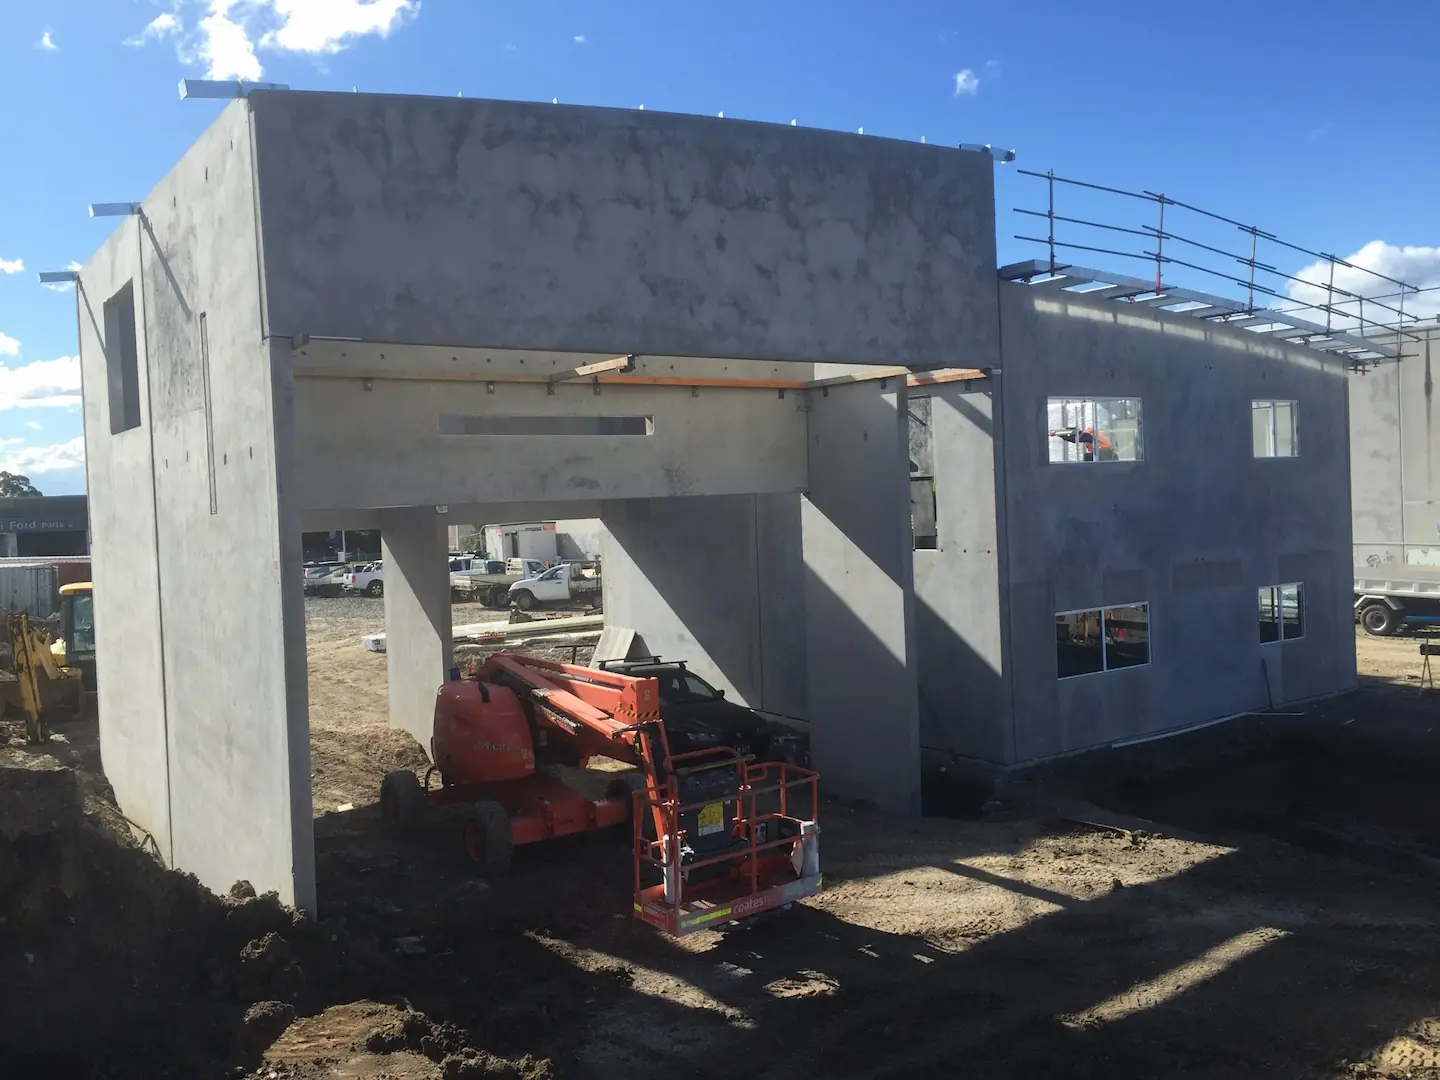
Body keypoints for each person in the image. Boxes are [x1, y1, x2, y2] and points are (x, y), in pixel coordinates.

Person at [1049, 425, 1119, 461]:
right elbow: (1075, 439)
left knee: (1086, 455)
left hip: (1100, 447)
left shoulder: (1088, 435)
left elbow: (1078, 439)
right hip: (1098, 444)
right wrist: (1059, 434)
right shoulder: (1093, 435)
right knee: (1088, 455)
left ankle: (1087, 470)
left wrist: (1059, 434)